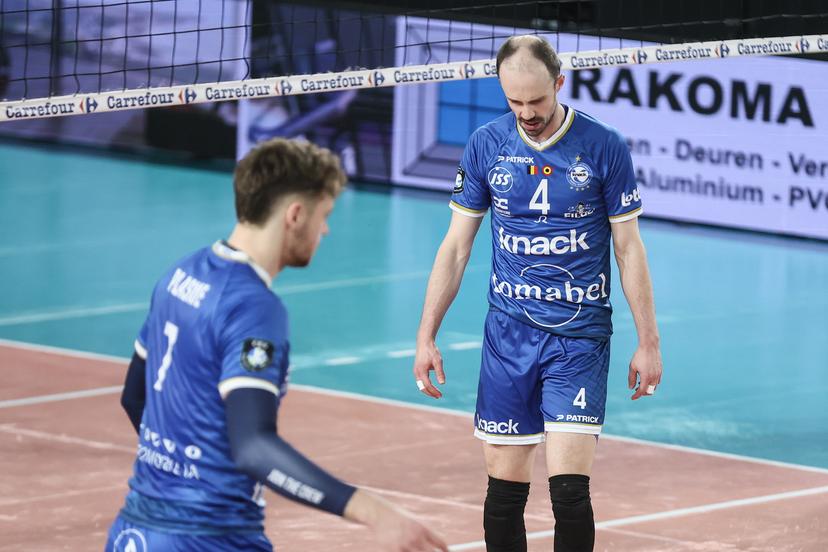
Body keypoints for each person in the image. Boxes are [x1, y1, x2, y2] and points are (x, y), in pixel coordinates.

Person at [107, 138, 448, 552]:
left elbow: (133, 396)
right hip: (212, 537)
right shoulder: (253, 306)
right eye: (325, 215)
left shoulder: (180, 274)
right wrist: (374, 511)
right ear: (295, 214)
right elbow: (254, 446)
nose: (325, 230)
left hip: (135, 530)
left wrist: (178, 474)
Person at [412, 35, 663, 552]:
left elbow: (629, 249)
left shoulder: (603, 145)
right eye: (515, 102)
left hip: (578, 338)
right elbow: (457, 247)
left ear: (559, 83)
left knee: (569, 491)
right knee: (504, 493)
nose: (527, 112)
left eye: (537, 100)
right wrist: (425, 335)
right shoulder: (487, 143)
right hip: (508, 337)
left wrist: (649, 341)